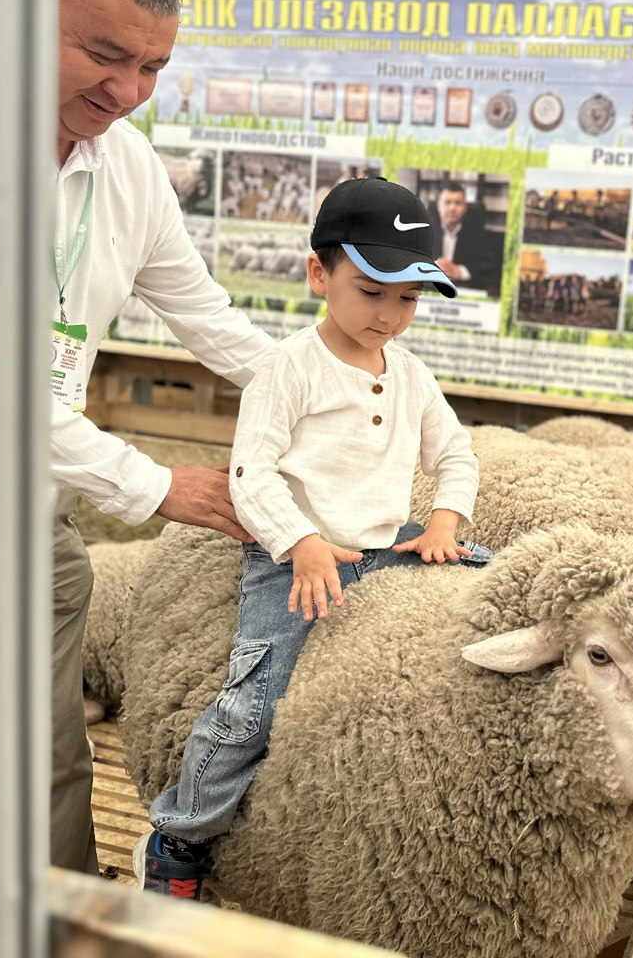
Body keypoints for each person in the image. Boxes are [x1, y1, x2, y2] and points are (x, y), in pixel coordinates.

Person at [134, 176, 487, 899]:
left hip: (386, 545)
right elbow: (250, 471)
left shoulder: (413, 376)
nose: (389, 315)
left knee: (499, 583)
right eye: (372, 291)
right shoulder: (287, 369)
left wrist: (447, 521)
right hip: (297, 556)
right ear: (319, 273)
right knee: (253, 703)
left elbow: (455, 454)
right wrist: (297, 542)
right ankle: (181, 837)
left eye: (408, 299)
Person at [52, 0, 279, 874]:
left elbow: (208, 318)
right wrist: (160, 489)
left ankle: (56, 915)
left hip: (35, 530)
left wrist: (341, 394)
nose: (127, 90)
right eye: (104, 55)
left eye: (151, 68)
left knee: (52, 757)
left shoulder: (127, 169)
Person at [427, 180, 502, 294]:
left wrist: (460, 271)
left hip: (464, 291)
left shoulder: (478, 234)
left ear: (465, 207)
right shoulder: (424, 231)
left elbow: (490, 266)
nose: (452, 208)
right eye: (447, 202)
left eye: (458, 203)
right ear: (438, 205)